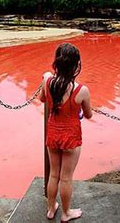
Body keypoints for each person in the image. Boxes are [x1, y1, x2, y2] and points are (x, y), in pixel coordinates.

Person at [40, 42, 93, 222]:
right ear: (76, 65)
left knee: (54, 174)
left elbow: (41, 98)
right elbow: (88, 114)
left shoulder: (48, 82)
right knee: (66, 178)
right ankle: (65, 213)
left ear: (57, 62)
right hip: (71, 137)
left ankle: (50, 209)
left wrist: (46, 77)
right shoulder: (82, 90)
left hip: (53, 134)